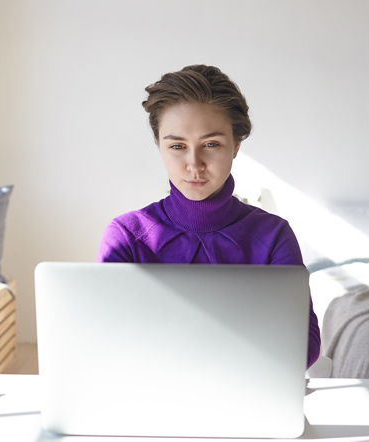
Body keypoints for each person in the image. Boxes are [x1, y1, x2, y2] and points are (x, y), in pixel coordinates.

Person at [97, 64, 320, 368]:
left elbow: (303, 346)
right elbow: (103, 338)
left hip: (250, 396)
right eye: (177, 146)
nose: (194, 164)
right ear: (159, 147)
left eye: (211, 144)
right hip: (148, 398)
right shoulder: (127, 235)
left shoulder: (273, 236)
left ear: (236, 146)